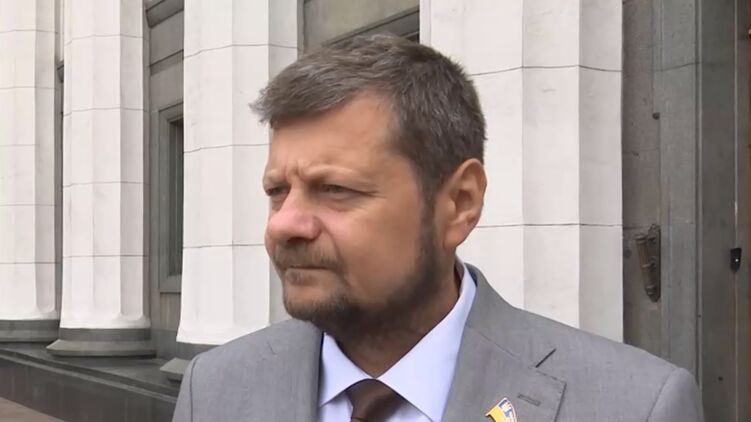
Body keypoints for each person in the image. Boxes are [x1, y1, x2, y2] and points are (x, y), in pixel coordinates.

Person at [172, 34, 704, 422]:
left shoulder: (635, 405)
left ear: (458, 203)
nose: (285, 224)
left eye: (335, 189)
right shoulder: (215, 390)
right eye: (276, 191)